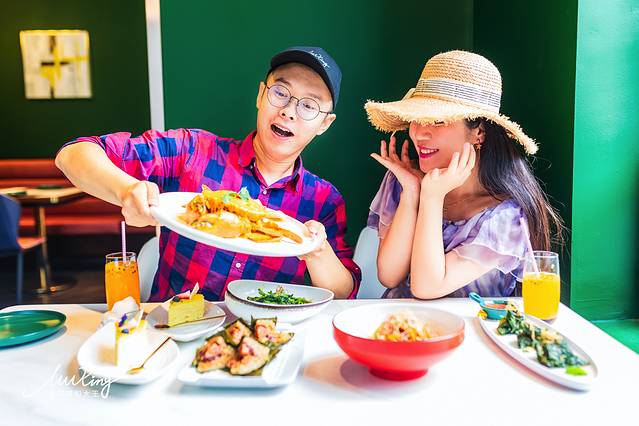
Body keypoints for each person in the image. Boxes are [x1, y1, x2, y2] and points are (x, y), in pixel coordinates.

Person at [56, 46, 360, 301]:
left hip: (265, 339)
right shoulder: (193, 151)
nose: (289, 111)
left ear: (324, 124)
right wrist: (126, 190)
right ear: (260, 95)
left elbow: (344, 292)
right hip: (173, 333)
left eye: (309, 106)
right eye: (280, 92)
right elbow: (72, 154)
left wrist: (316, 250)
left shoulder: (324, 200)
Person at [364, 50, 563, 299]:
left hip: (472, 325)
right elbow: (389, 275)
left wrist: (431, 198)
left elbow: (427, 287)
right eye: (416, 118)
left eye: (438, 121)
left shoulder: (506, 216)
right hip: (399, 322)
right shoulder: (405, 181)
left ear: (479, 132)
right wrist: (412, 193)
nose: (420, 133)